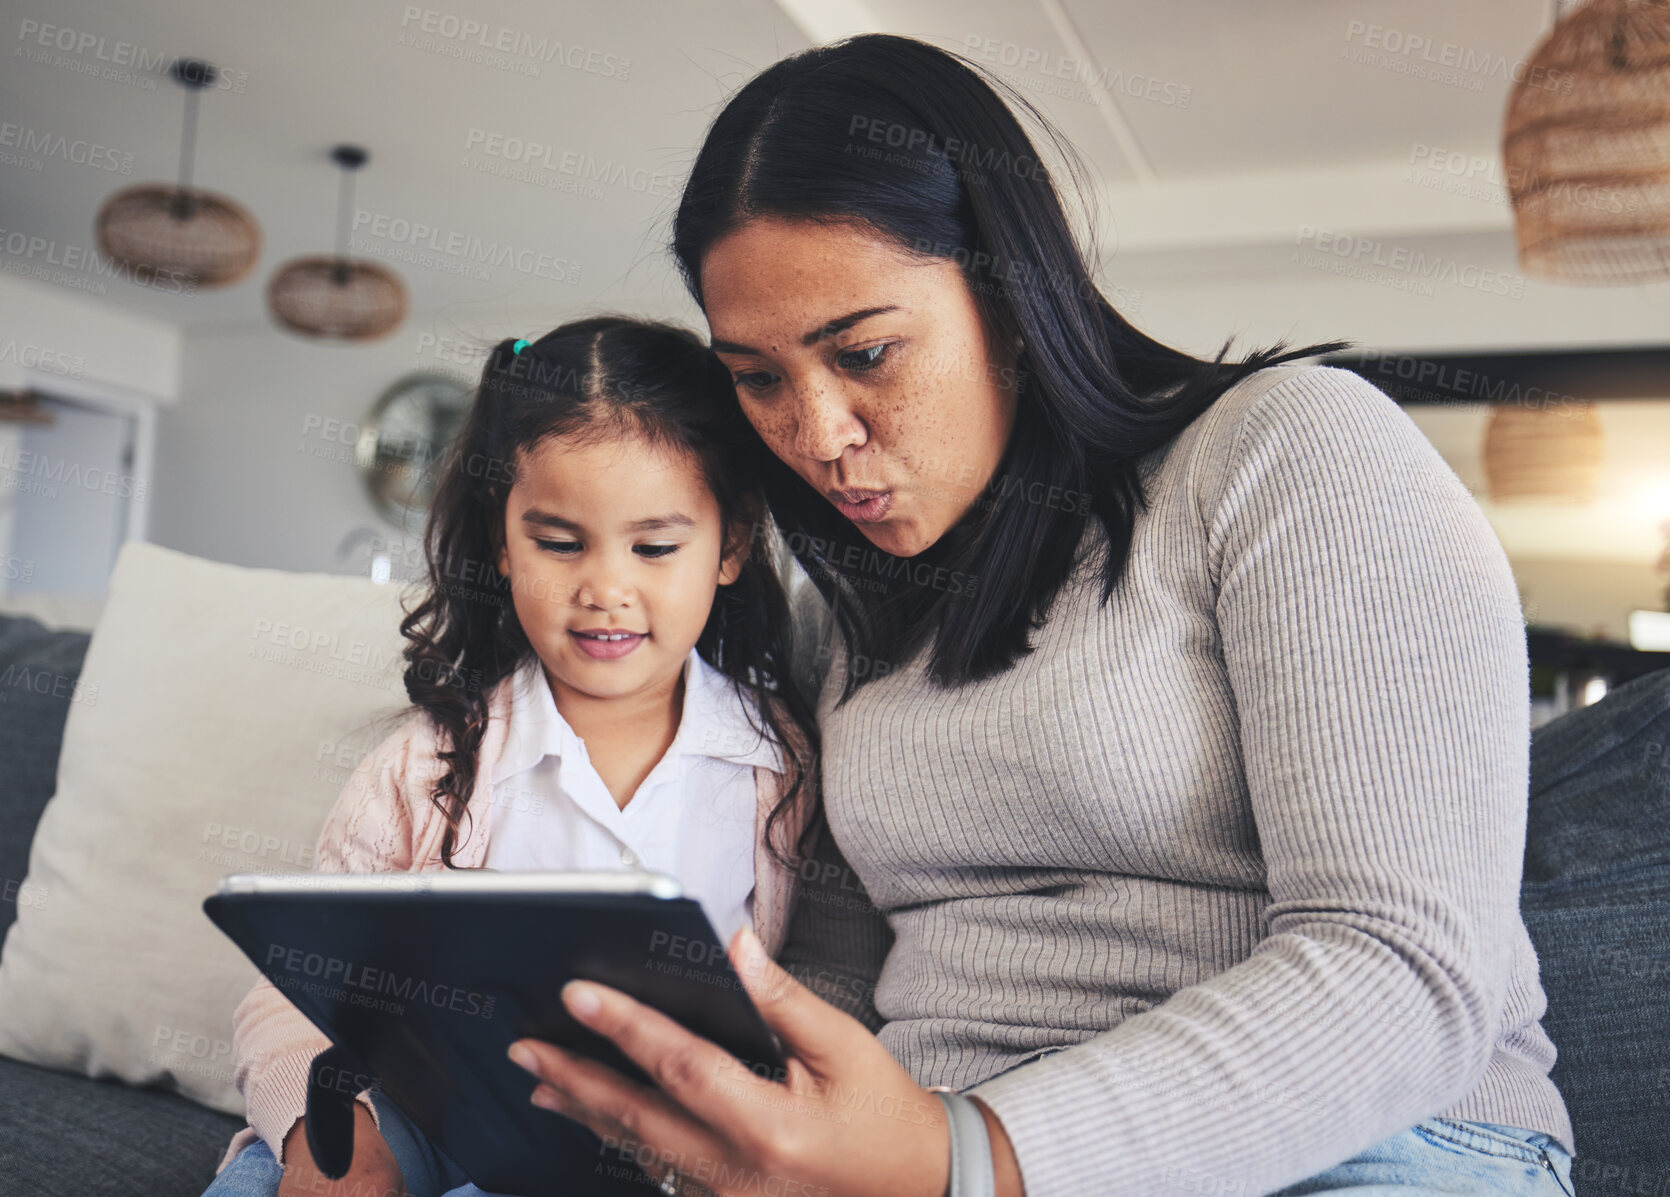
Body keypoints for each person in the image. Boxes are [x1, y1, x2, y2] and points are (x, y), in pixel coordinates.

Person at [506, 35, 1579, 1197]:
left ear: (1009, 300)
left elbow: (1407, 968)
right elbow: (834, 974)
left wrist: (970, 1156)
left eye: (864, 353)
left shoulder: (1286, 453)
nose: (815, 436)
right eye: (757, 378)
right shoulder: (839, 620)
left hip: (1368, 1147)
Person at [201, 317, 827, 1197]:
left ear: (728, 547)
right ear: (502, 542)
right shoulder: (426, 768)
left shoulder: (778, 772)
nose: (605, 588)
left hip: (642, 1158)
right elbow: (294, 991)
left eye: (654, 546)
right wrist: (327, 1140)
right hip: (409, 1118)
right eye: (559, 541)